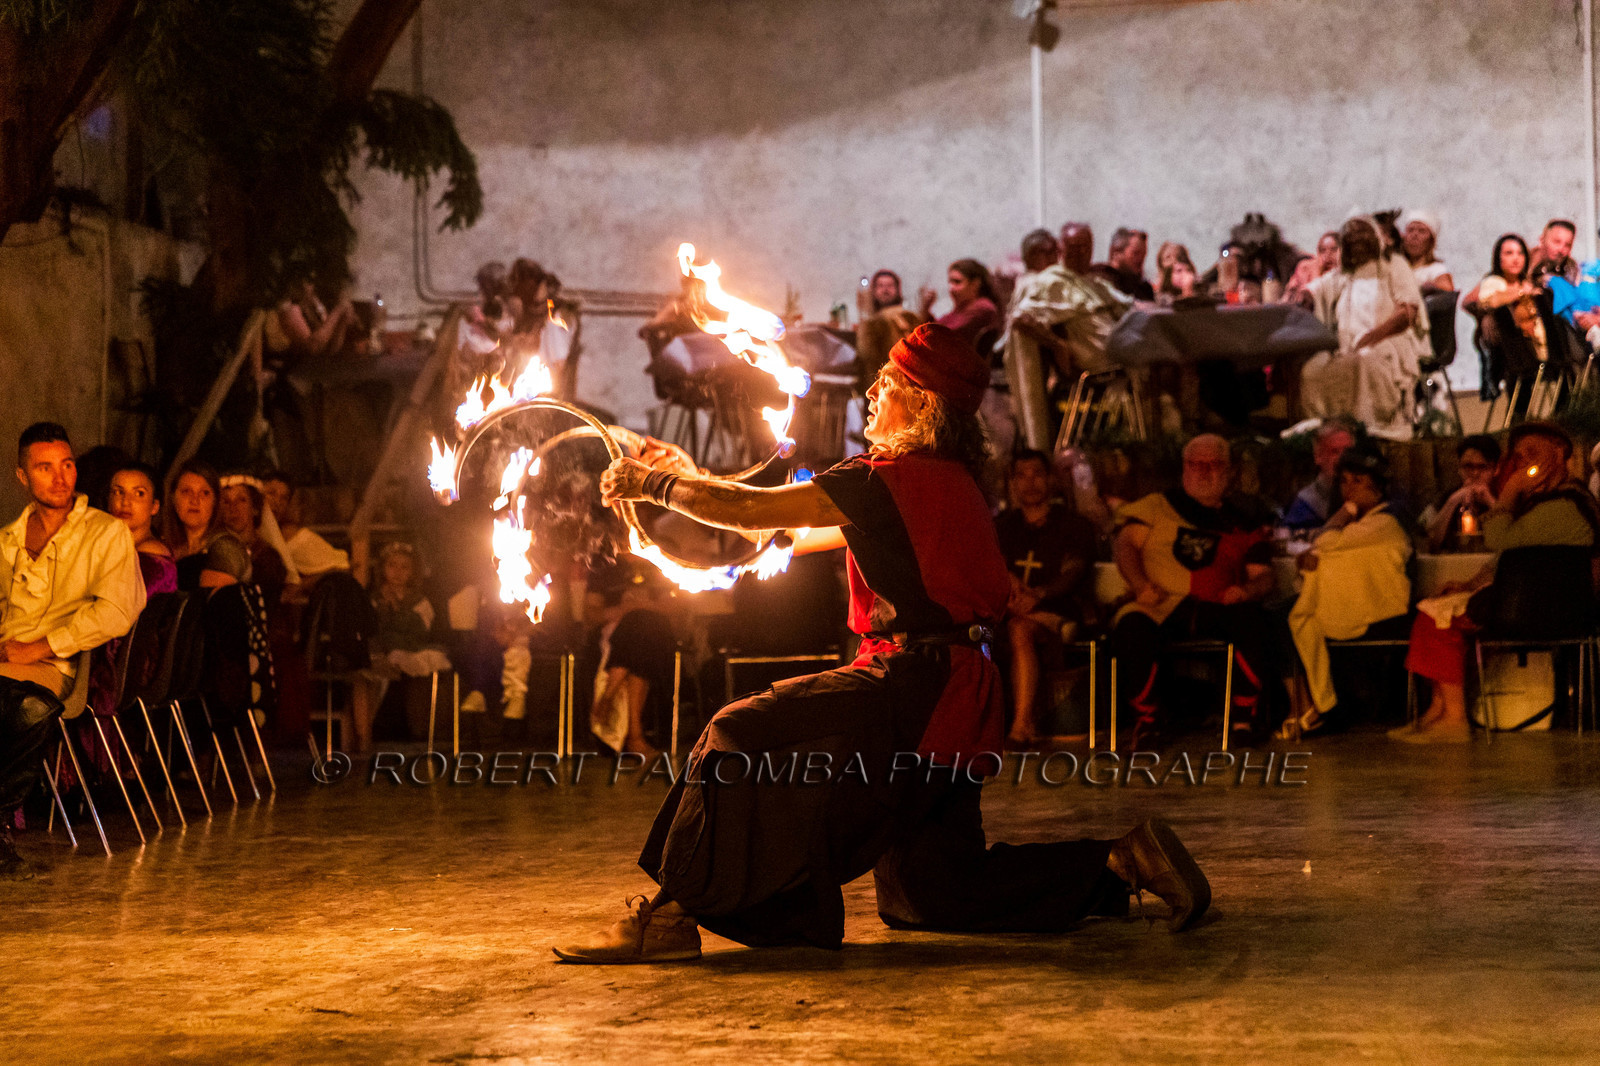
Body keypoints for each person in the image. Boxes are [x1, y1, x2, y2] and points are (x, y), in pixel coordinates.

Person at [553, 323, 1211, 963]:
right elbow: (778, 532)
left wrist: (656, 485)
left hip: (916, 684)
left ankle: (670, 916)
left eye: (887, 381)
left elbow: (753, 513)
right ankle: (1122, 862)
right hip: (961, 687)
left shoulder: (885, 480)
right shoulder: (946, 482)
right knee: (933, 894)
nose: (871, 392)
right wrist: (690, 478)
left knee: (738, 734)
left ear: (922, 404)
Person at [1, 423, 145, 879]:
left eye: (67, 465)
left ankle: (1, 829)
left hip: (59, 666)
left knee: (23, 704)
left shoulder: (105, 534)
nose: (60, 477)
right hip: (6, 661)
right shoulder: (7, 540)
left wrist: (39, 646)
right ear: (22, 476)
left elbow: (115, 612)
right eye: (45, 468)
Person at [1397, 421, 1599, 743]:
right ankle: (1437, 711)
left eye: (1533, 453)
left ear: (1560, 454)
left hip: (1547, 609)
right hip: (1528, 600)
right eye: (1518, 457)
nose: (1524, 463)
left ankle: (1455, 720)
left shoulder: (1567, 505)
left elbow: (1500, 539)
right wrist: (1468, 585)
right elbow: (1511, 558)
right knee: (1429, 612)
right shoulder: (1540, 506)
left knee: (1440, 620)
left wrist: (1508, 493)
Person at [1109, 434, 1282, 749]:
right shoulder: (1156, 506)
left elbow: (1265, 577)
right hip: (1157, 602)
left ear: (1229, 472)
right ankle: (1148, 723)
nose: (1204, 471)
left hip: (1218, 604)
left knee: (1255, 622)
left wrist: (1246, 591)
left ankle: (1242, 720)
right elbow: (1125, 545)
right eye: (1196, 464)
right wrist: (1139, 585)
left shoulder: (1243, 521)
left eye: (1214, 464)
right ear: (1184, 469)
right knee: (1132, 627)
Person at [1281, 450, 1412, 738]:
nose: (1348, 488)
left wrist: (1343, 513)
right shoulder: (1363, 524)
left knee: (1285, 615)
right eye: (1343, 481)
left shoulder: (1386, 522)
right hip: (1347, 600)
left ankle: (1312, 707)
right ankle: (1306, 706)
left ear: (1377, 485)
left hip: (1377, 609)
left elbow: (1327, 542)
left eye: (1358, 481)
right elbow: (1330, 552)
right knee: (1279, 614)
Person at [994, 450, 1100, 747]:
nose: (1030, 483)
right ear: (1012, 482)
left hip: (1060, 610)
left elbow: (1074, 571)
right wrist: (1014, 589)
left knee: (1019, 628)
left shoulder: (1072, 525)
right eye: (1021, 475)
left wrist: (1039, 595)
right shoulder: (1002, 527)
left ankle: (1022, 725)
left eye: (1037, 474)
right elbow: (989, 563)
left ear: (1051, 479)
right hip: (1011, 608)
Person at [1300, 215, 1429, 439]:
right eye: (1350, 237)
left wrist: (1373, 336)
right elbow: (1317, 289)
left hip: (1387, 343)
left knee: (1365, 360)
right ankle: (1328, 427)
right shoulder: (1344, 275)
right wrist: (1303, 295)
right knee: (1312, 369)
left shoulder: (1393, 267)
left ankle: (1365, 425)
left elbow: (1408, 311)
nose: (1356, 240)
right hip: (1348, 348)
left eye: (1361, 234)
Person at [1001, 236, 1132, 450]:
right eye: (1074, 247)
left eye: (1085, 246)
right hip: (1096, 372)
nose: (1080, 252)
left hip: (1123, 358)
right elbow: (1021, 319)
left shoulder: (1096, 283)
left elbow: (1129, 306)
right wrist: (1056, 344)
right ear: (1063, 249)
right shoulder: (1051, 282)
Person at [352, 542, 451, 755]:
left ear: (413, 571)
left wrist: (397, 609)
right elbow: (374, 631)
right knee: (368, 677)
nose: (397, 572)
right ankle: (364, 737)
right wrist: (385, 612)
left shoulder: (420, 601)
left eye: (404, 567)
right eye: (392, 565)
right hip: (382, 652)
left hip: (411, 651)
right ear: (383, 568)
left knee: (400, 666)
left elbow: (418, 633)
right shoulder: (375, 599)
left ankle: (416, 731)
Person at [586, 555, 678, 758]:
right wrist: (623, 611)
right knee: (639, 640)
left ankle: (608, 695)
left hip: (654, 637)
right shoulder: (604, 567)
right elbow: (591, 615)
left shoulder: (657, 563)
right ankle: (635, 737)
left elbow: (672, 608)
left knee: (642, 625)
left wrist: (638, 609)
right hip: (616, 635)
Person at [261, 471, 350, 583]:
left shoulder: (294, 537)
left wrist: (300, 587)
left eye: (284, 498)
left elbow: (341, 567)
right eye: (271, 493)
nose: (277, 502)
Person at [219, 473, 293, 607]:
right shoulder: (215, 554)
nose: (233, 508)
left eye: (241, 500)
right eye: (226, 501)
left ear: (255, 508)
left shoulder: (268, 559)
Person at [107, 463, 178, 596]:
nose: (125, 502)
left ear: (154, 506)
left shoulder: (152, 556)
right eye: (118, 492)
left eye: (139, 494)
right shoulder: (110, 546)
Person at [1423, 435, 1501, 552]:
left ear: (1495, 469)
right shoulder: (1446, 497)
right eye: (1468, 466)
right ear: (1459, 467)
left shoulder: (1504, 495)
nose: (1475, 473)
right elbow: (1428, 543)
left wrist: (1490, 501)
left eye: (1482, 467)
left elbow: (1514, 540)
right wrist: (1453, 502)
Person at [853, 269, 925, 392]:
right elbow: (868, 359)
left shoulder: (911, 318)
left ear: (898, 290)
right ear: (873, 291)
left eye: (890, 286)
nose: (885, 290)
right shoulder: (870, 324)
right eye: (880, 286)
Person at [1282, 421, 1357, 530]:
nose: (1342, 459)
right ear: (1318, 456)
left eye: (1347, 452)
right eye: (1334, 452)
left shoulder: (1362, 498)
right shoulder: (1304, 505)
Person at [918, 259, 1003, 351]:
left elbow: (943, 334)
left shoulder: (983, 308)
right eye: (950, 282)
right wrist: (926, 309)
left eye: (957, 282)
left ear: (975, 284)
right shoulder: (962, 308)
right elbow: (938, 327)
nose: (951, 288)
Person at [1091, 227, 1154, 301]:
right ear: (1116, 253)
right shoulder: (1098, 279)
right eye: (1135, 253)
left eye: (1143, 255)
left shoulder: (1143, 289)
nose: (1140, 259)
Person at [1400, 210, 1453, 294]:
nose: (1414, 235)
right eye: (1410, 230)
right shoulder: (1396, 268)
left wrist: (1431, 288)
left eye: (1422, 231)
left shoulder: (1436, 270)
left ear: (1431, 241)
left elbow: (1447, 292)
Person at [1284, 231, 1340, 303]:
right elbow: (1290, 293)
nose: (1327, 255)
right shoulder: (1306, 268)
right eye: (1323, 250)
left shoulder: (1346, 275)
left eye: (1333, 249)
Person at [1529, 219, 1578, 287]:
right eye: (1556, 242)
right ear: (1542, 240)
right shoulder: (1524, 262)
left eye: (1567, 245)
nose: (1561, 249)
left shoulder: (1572, 269)